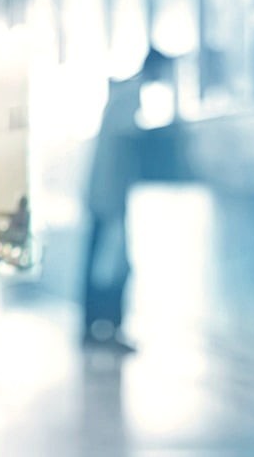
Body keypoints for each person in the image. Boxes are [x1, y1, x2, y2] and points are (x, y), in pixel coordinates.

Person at [82, 47, 171, 352]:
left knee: (100, 262)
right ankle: (107, 329)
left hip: (103, 192)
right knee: (112, 265)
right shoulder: (130, 95)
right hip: (110, 195)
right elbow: (129, 136)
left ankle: (95, 329)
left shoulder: (122, 92)